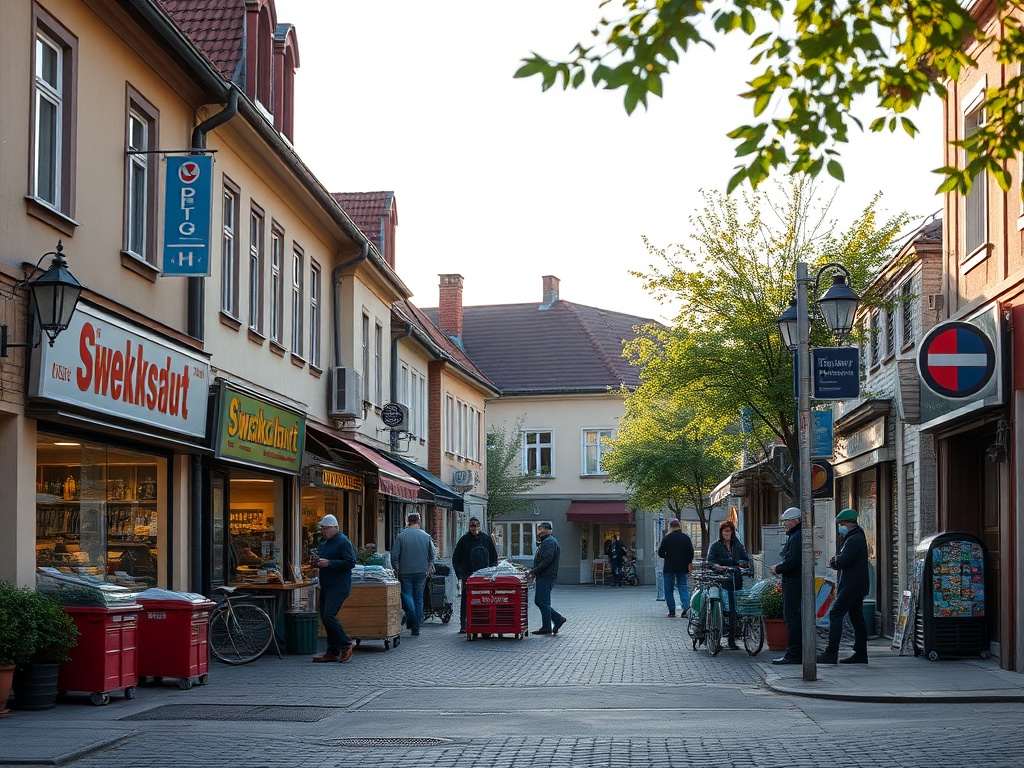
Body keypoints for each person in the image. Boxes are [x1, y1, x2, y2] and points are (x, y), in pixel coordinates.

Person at [817, 508, 871, 665]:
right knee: (857, 617)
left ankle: (831, 652)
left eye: (841, 524)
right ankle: (861, 653)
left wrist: (834, 561)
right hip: (855, 584)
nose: (840, 527)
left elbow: (841, 561)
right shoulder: (853, 537)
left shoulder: (854, 539)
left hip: (852, 585)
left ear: (848, 524)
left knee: (835, 613)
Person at [311, 514, 357, 662]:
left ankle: (346, 642)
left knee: (328, 615)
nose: (324, 532)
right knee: (325, 617)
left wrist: (329, 563)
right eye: (322, 529)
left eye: (326, 529)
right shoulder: (324, 544)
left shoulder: (343, 542)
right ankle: (332, 651)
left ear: (335, 528)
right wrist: (317, 562)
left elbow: (350, 562)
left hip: (338, 585)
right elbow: (322, 561)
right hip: (326, 584)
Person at [706, 519, 750, 650]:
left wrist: (739, 564)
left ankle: (732, 639)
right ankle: (717, 637)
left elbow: (745, 559)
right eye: (724, 531)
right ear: (721, 532)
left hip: (735, 580)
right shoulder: (715, 545)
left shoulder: (737, 545)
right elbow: (710, 561)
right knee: (722, 609)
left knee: (734, 610)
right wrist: (716, 567)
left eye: (728, 531)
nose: (726, 534)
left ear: (732, 532)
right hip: (722, 580)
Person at [391, 511, 435, 637]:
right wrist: (428, 568)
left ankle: (412, 617)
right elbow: (432, 556)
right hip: (421, 572)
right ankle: (416, 626)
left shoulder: (401, 536)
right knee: (419, 598)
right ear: (419, 522)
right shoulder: (426, 537)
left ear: (408, 522)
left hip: (405, 572)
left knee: (407, 596)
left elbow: (394, 556)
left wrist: (397, 569)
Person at [451, 516, 498, 634]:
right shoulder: (464, 540)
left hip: (484, 574)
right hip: (468, 574)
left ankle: (483, 623)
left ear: (479, 526)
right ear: (469, 526)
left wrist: (492, 571)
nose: (474, 528)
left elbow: (493, 557)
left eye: (476, 525)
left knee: (484, 599)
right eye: (472, 526)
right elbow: (456, 558)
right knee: (466, 600)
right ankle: (464, 624)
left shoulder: (486, 539)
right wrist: (461, 575)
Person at [769, 506, 803, 665]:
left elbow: (794, 561)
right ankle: (796, 651)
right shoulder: (796, 536)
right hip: (792, 580)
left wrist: (778, 568)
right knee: (793, 616)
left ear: (795, 520)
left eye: (786, 521)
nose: (784, 524)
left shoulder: (797, 537)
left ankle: (794, 652)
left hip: (793, 581)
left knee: (792, 616)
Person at [529, 521, 566, 635]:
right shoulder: (546, 541)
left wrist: (534, 571)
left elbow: (546, 560)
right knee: (545, 602)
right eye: (538, 529)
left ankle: (557, 619)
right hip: (546, 575)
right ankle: (546, 627)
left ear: (548, 530)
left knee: (540, 601)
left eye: (540, 529)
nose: (538, 532)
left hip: (546, 576)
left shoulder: (549, 542)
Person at [657, 518, 695, 618]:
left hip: (669, 567)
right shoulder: (686, 538)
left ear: (670, 527)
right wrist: (687, 561)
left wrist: (668, 556)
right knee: (682, 586)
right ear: (679, 526)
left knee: (668, 589)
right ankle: (686, 609)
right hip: (682, 567)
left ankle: (672, 611)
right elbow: (691, 554)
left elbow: (660, 553)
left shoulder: (667, 538)